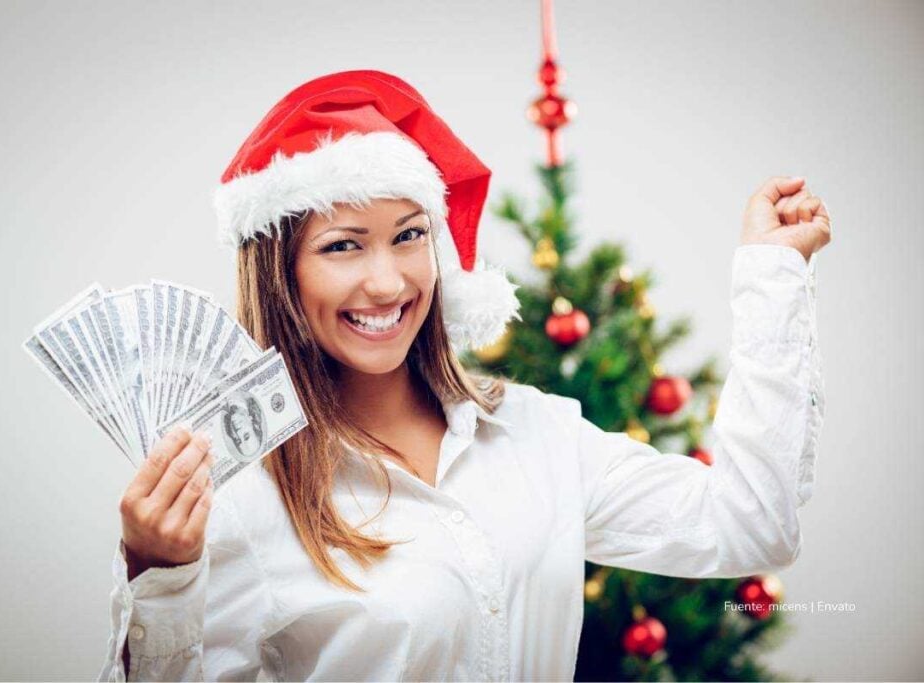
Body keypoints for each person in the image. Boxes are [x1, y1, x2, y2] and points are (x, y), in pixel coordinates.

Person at [100, 70, 830, 681]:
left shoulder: (538, 432)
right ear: (280, 273)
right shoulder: (241, 497)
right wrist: (160, 575)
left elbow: (752, 524)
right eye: (343, 246)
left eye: (409, 235)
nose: (388, 282)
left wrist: (772, 275)